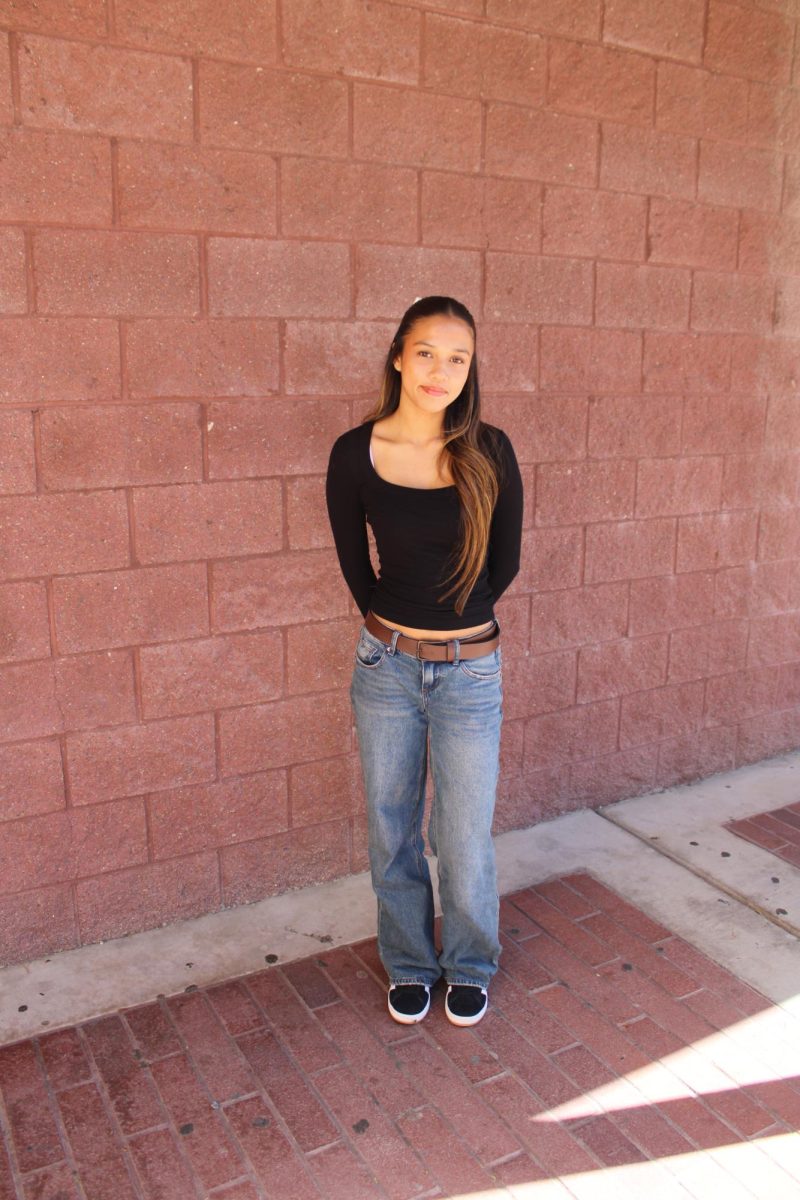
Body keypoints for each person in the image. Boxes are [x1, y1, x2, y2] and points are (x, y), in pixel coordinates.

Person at [325, 296, 523, 1027]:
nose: (442, 370)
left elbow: (504, 565)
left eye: (459, 358)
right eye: (428, 353)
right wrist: (398, 629)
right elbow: (356, 566)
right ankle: (409, 961)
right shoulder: (357, 452)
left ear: (471, 370)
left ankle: (469, 961)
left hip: (470, 671)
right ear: (399, 357)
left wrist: (452, 628)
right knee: (390, 823)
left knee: (462, 830)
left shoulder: (490, 450)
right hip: (385, 669)